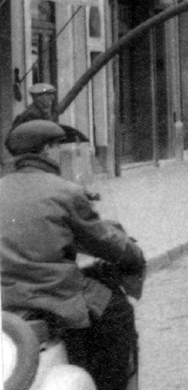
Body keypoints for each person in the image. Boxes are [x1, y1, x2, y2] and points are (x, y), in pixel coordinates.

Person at [1, 120, 146, 390]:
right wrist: (132, 254)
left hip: (7, 298)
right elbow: (105, 241)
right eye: (58, 146)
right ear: (47, 149)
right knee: (117, 312)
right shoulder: (65, 192)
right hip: (55, 293)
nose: (60, 152)